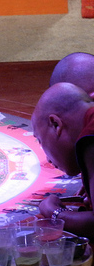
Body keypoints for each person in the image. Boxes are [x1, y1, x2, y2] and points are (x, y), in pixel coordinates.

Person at [32, 82, 94, 238]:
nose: (47, 158)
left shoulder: (91, 138)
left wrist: (54, 212)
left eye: (40, 140)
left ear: (55, 124)